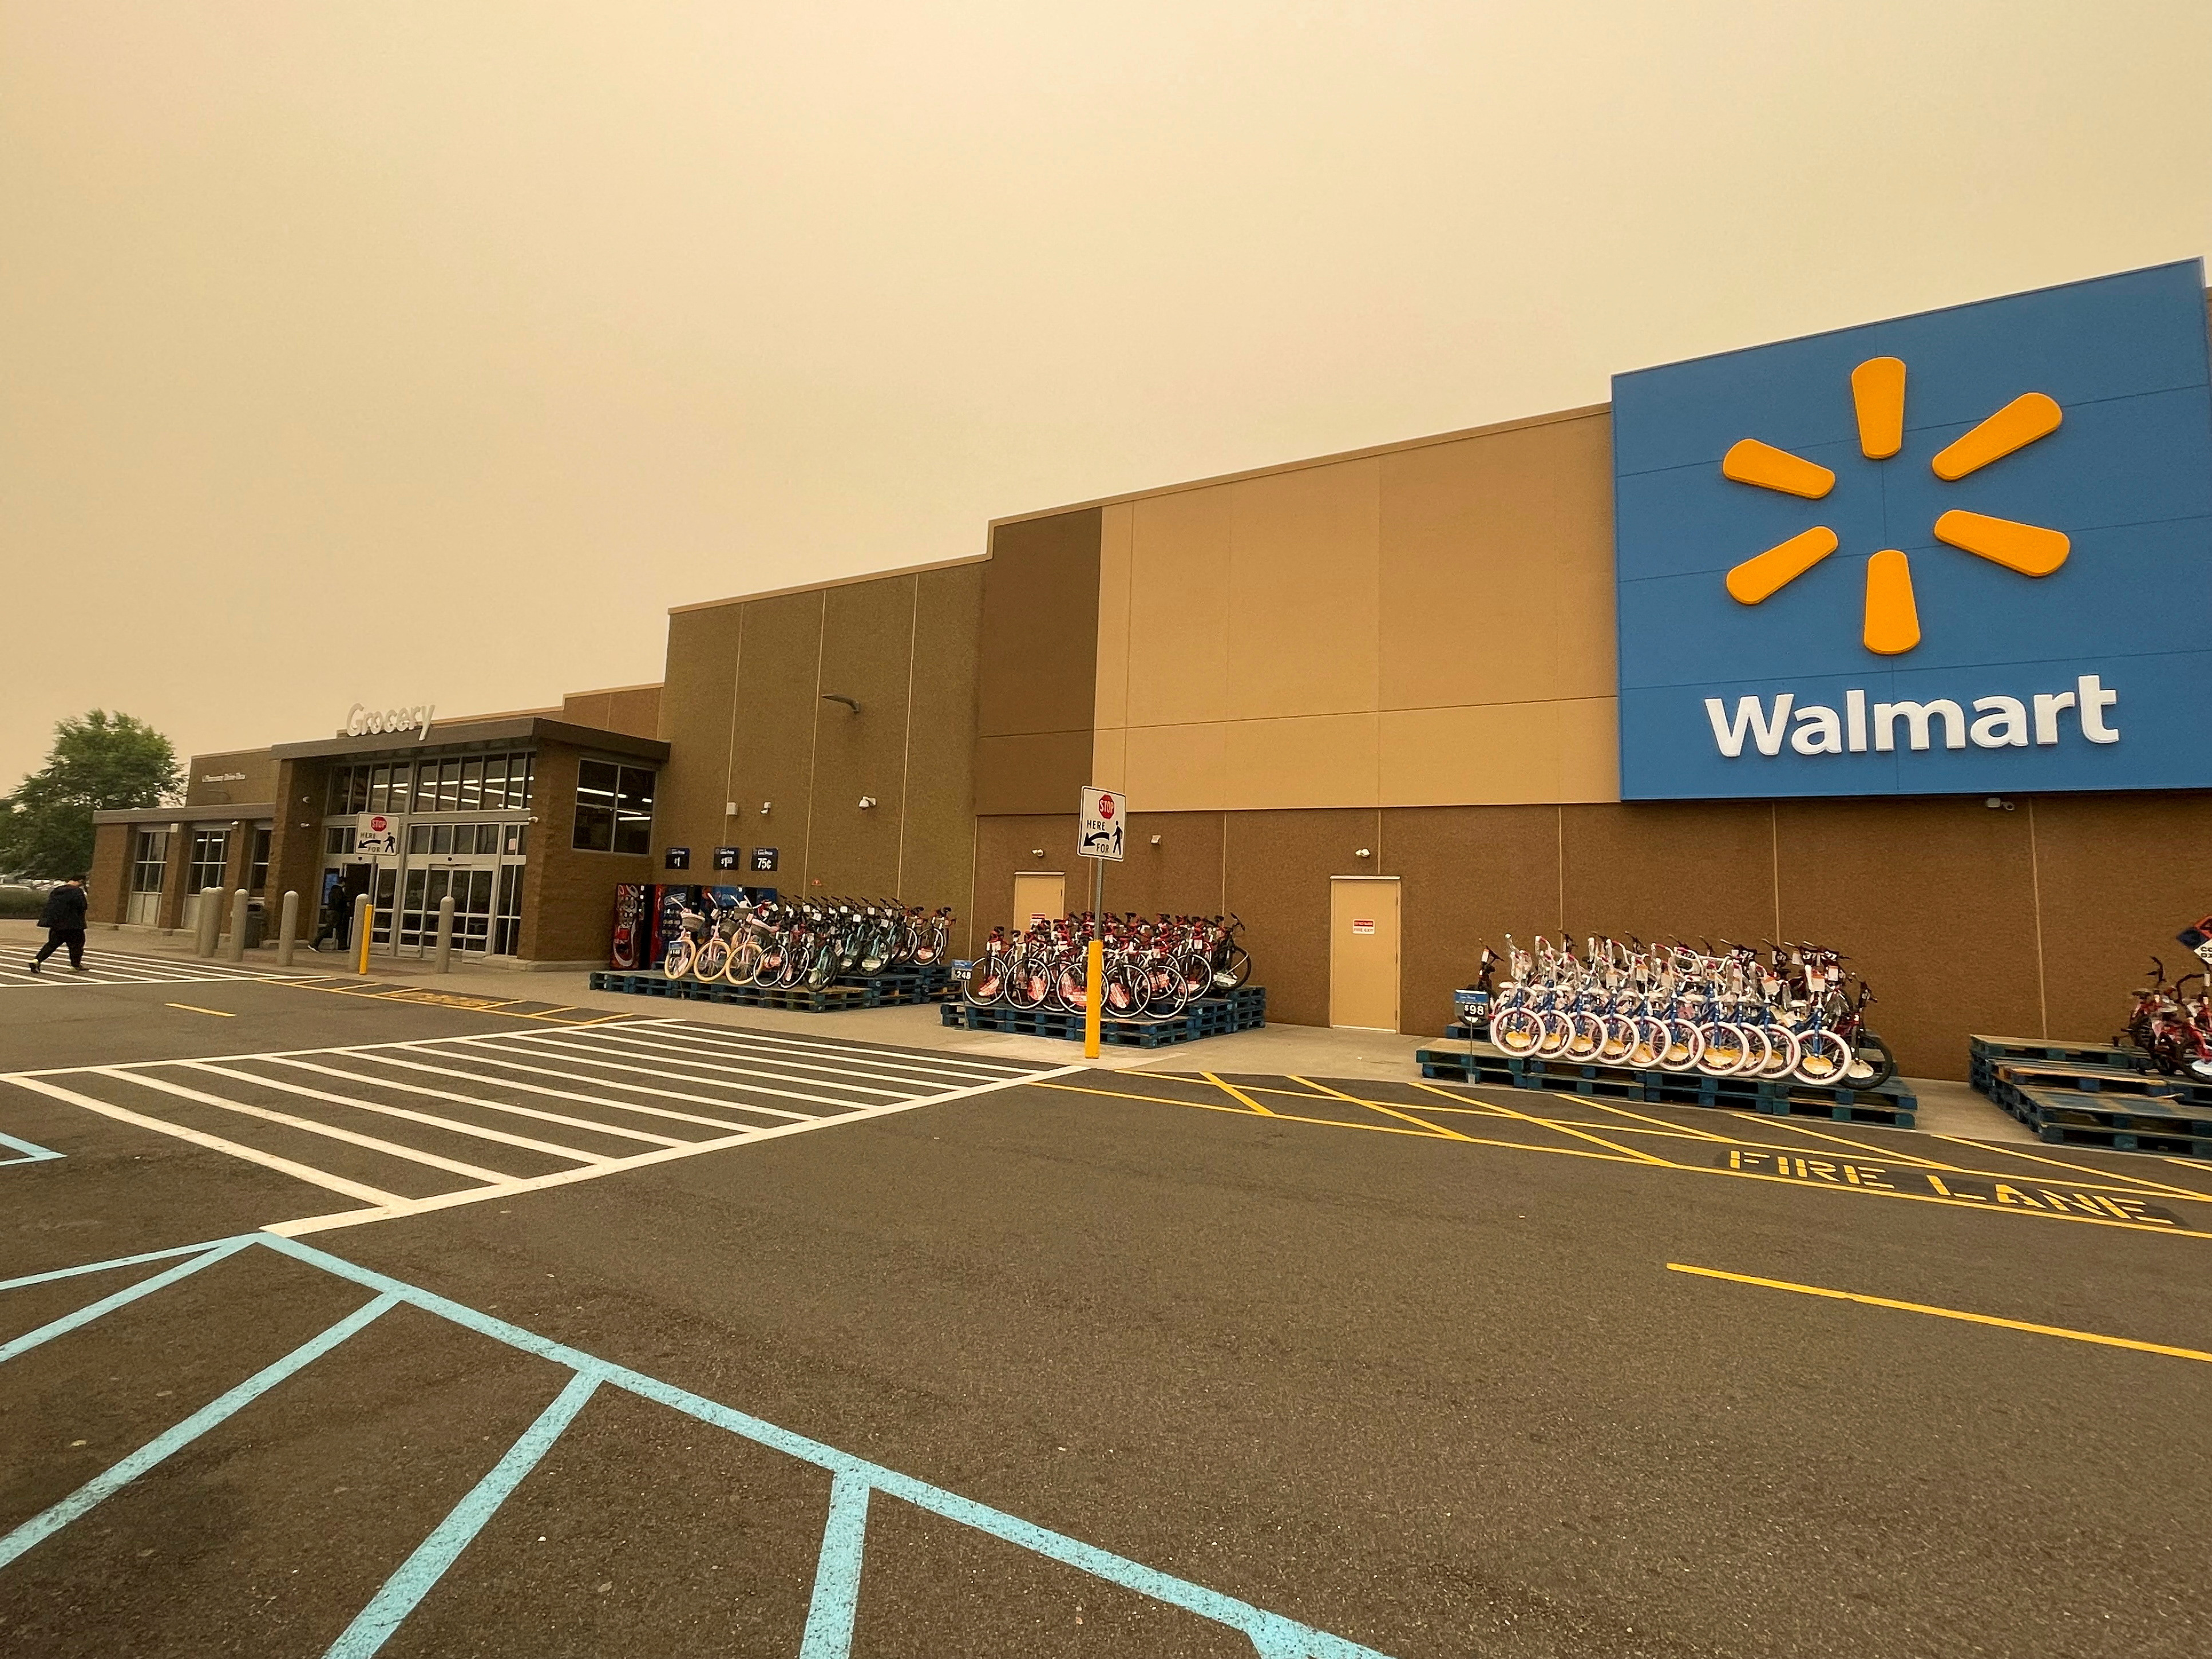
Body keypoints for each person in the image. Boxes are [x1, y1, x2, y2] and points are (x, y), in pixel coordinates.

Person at [29, 876, 89, 974]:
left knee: (52, 945)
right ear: (80, 882)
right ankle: (75, 965)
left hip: (57, 925)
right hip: (74, 925)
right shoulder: (77, 892)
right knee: (77, 945)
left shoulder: (57, 891)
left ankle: (37, 960)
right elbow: (83, 906)